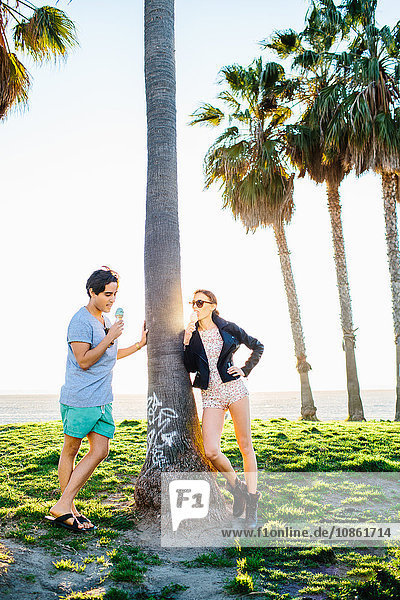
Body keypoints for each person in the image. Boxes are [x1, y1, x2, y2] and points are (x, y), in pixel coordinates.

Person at [45, 267, 147, 532]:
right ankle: (68, 508)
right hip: (80, 398)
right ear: (92, 291)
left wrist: (138, 344)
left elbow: (108, 356)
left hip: (102, 399)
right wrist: (111, 336)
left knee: (101, 450)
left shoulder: (104, 321)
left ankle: (64, 504)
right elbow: (84, 360)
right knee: (71, 451)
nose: (111, 300)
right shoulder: (81, 321)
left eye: (115, 294)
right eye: (106, 294)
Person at [183, 289, 264, 528]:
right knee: (211, 451)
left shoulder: (228, 328)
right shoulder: (193, 335)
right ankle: (237, 487)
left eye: (200, 302)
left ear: (212, 305)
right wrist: (187, 340)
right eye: (193, 303)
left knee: (246, 446)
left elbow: (257, 346)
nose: (195, 307)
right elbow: (188, 366)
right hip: (211, 395)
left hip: (235, 390)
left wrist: (245, 370)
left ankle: (252, 502)